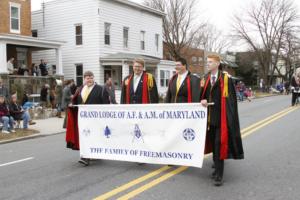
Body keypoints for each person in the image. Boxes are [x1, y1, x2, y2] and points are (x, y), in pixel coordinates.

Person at [200, 54, 244, 186]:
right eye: (207, 62)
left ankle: (219, 175)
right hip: (209, 119)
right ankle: (216, 169)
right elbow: (201, 95)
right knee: (213, 145)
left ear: (217, 64)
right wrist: (202, 101)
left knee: (219, 144)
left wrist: (229, 119)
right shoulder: (206, 78)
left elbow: (230, 101)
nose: (208, 64)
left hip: (221, 119)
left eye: (210, 62)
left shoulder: (225, 79)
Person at [66, 71, 109, 166]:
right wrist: (72, 105)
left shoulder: (101, 89)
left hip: (97, 120)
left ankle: (92, 154)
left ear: (94, 78)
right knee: (85, 137)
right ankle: (85, 156)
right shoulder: (80, 89)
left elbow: (106, 105)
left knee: (94, 137)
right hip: (83, 120)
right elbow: (76, 101)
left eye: (91, 77)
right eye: (87, 78)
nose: (89, 80)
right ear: (84, 79)